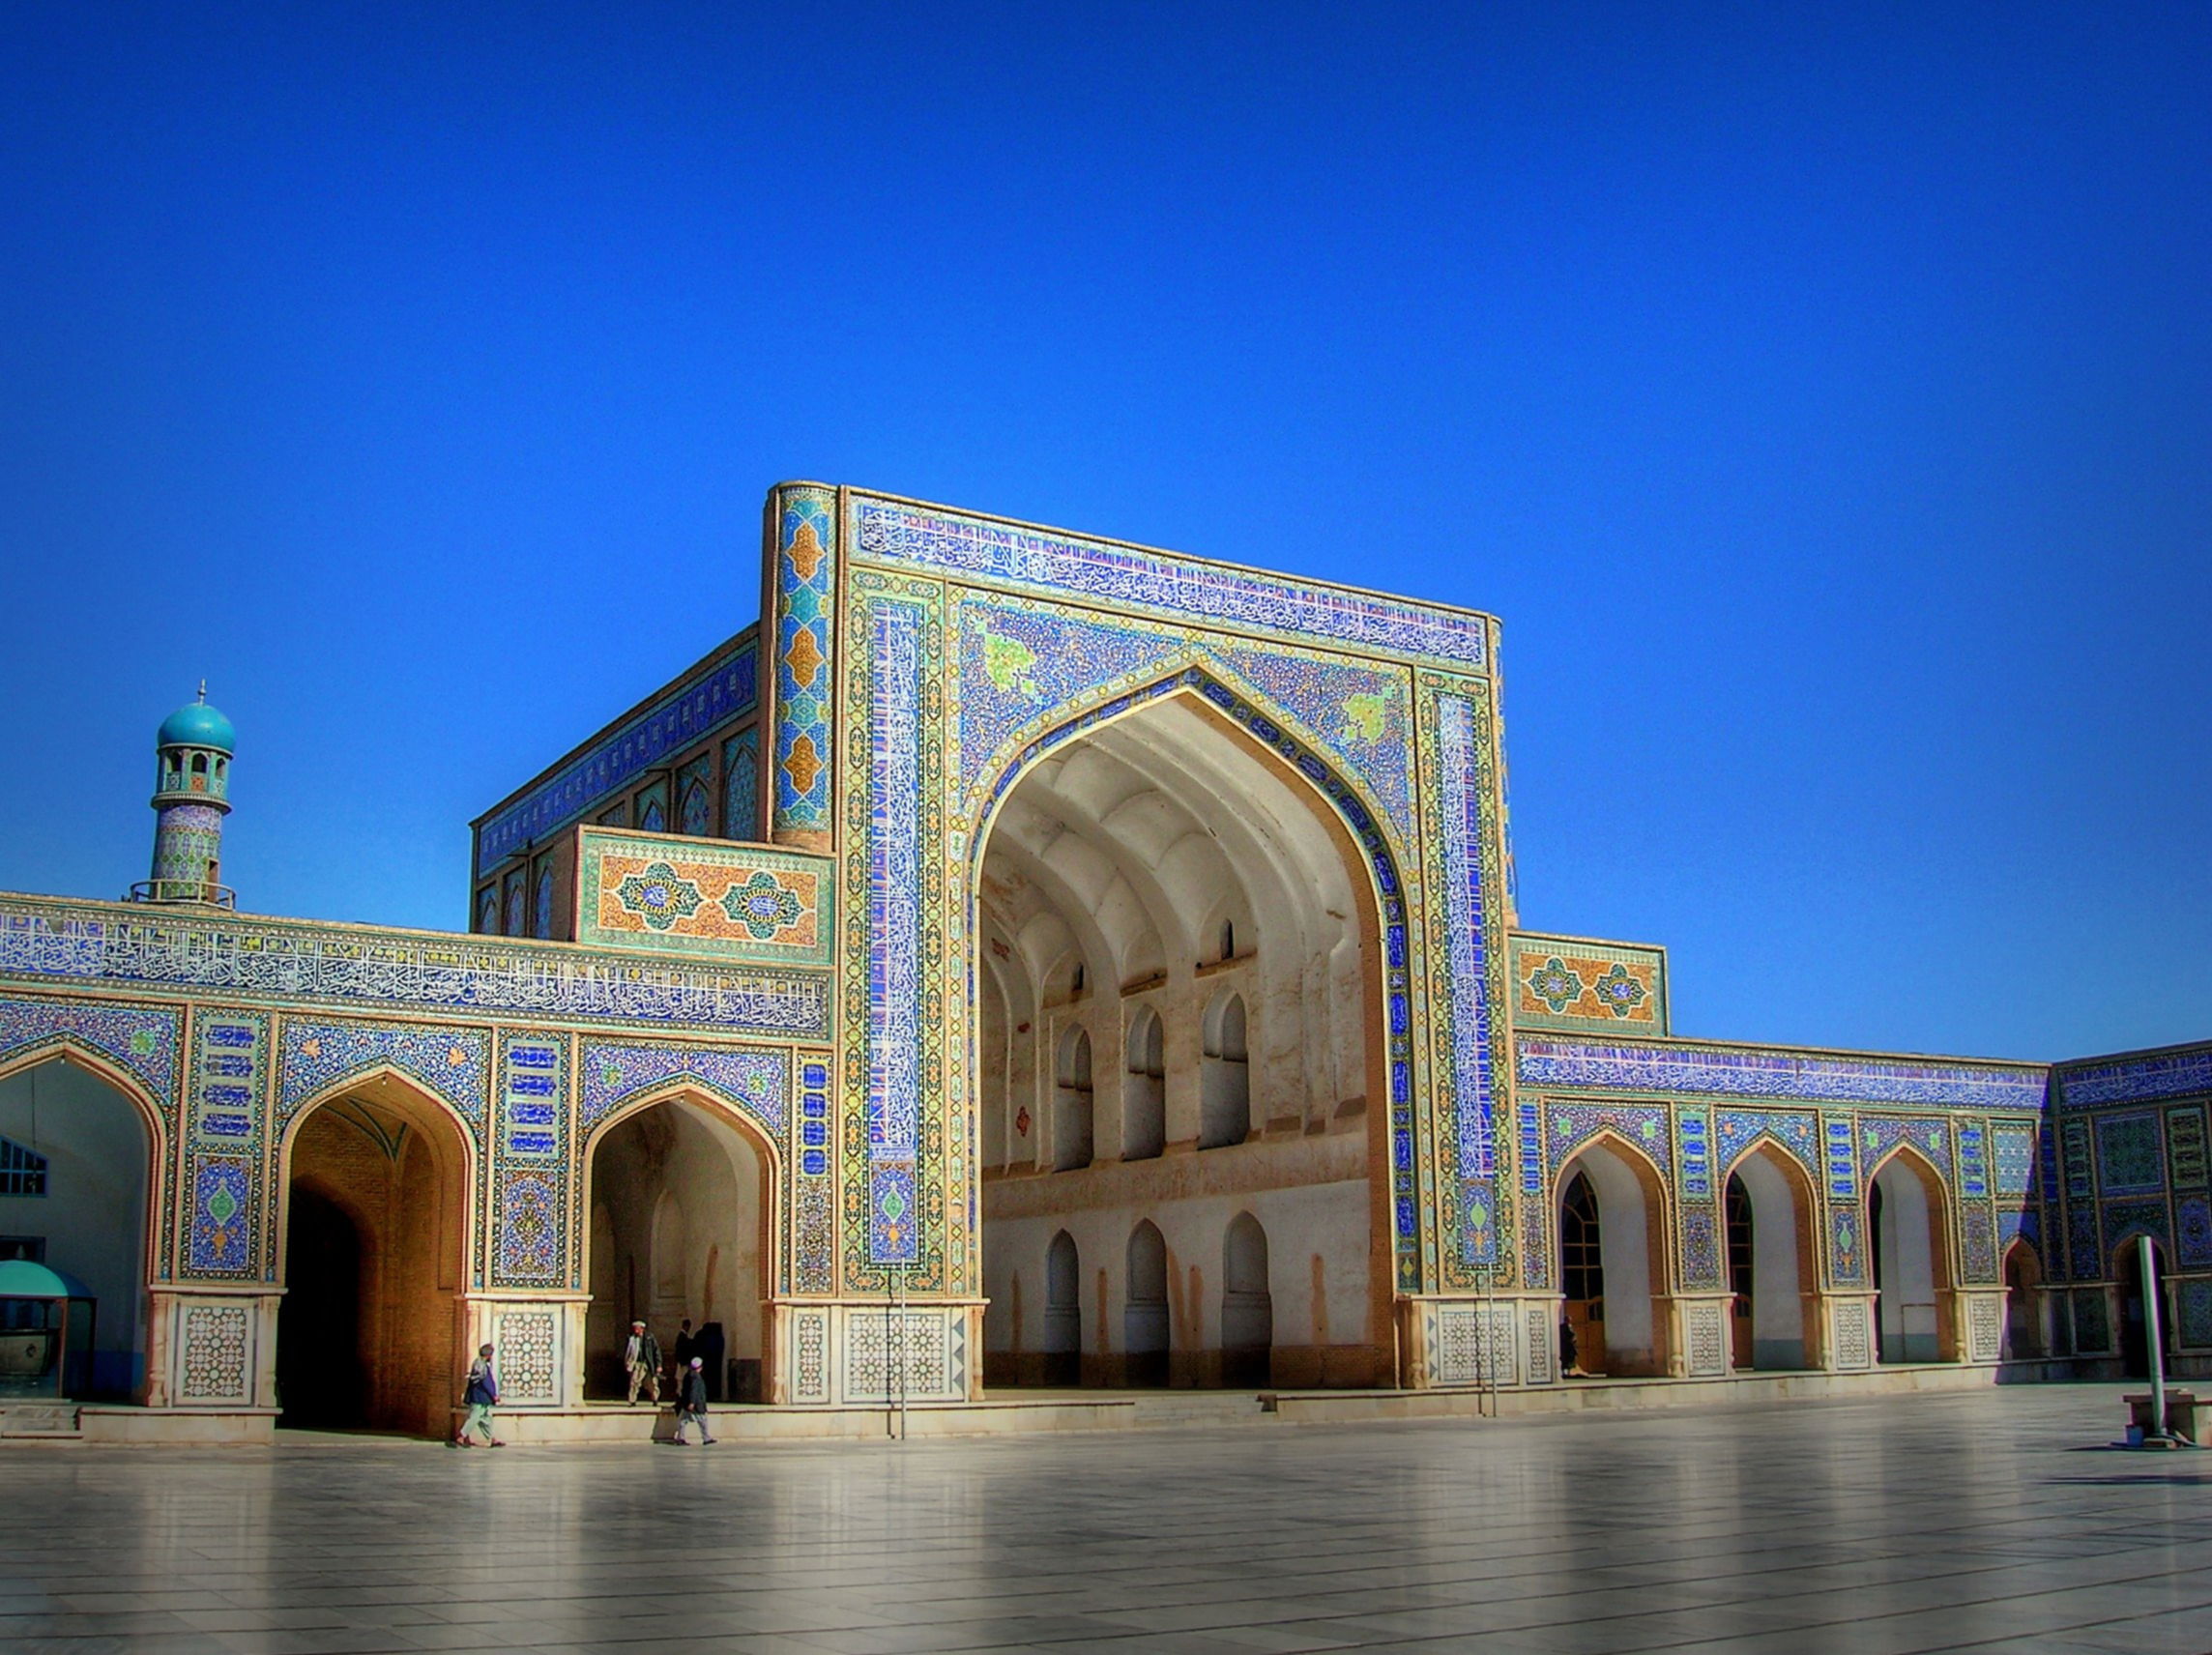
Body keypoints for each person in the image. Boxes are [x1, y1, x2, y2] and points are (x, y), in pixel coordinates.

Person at [454, 1343, 505, 1447]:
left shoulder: (477, 1363)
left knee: (485, 1419)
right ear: (489, 1355)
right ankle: (461, 1436)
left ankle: (492, 1439)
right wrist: (493, 1395)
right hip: (481, 1397)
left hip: (478, 1396)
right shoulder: (482, 1366)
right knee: (475, 1417)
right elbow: (485, 1382)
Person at [673, 1354, 714, 1445]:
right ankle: (706, 1438)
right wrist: (692, 1402)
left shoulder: (688, 1375)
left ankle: (681, 1437)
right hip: (696, 1404)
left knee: (683, 1421)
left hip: (688, 1403)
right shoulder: (696, 1377)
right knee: (702, 1421)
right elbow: (694, 1390)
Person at [623, 1320, 661, 1405]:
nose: (635, 1330)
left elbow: (656, 1351)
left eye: (637, 1328)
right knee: (634, 1382)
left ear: (642, 1329)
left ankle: (655, 1398)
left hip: (648, 1364)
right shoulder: (631, 1338)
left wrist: (658, 1365)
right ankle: (632, 1400)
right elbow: (627, 1351)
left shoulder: (649, 1338)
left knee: (651, 1383)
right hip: (637, 1364)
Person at [670, 1317, 695, 1392]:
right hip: (682, 1362)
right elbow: (681, 1350)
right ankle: (679, 1394)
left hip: (682, 1361)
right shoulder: (682, 1337)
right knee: (681, 1379)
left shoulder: (683, 1336)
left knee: (681, 1379)